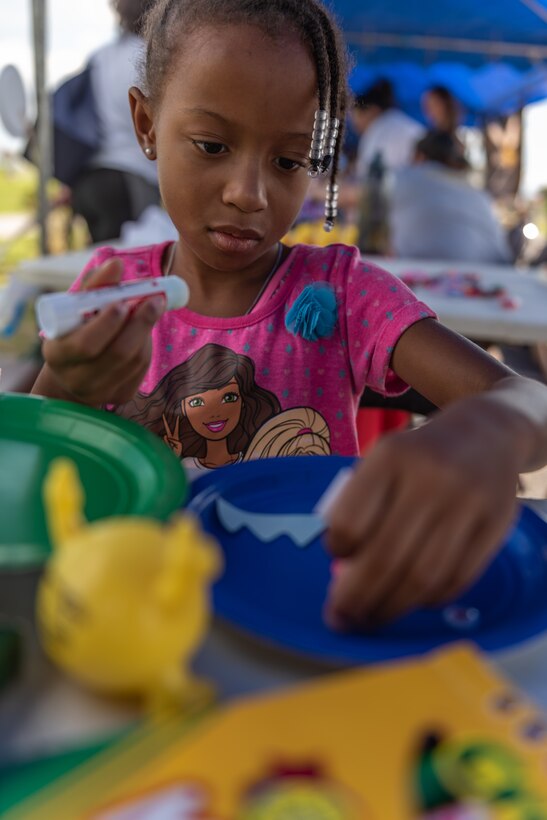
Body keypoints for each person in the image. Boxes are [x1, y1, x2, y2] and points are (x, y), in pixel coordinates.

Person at [31, 0, 547, 631]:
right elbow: (37, 468)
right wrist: (68, 388)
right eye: (212, 145)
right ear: (146, 123)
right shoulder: (115, 294)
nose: (248, 192)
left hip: (306, 622)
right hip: (143, 622)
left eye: (288, 161)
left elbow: (527, 399)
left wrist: (491, 430)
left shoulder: (347, 294)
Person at [70, 0, 161, 242]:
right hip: (130, 179)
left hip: (89, 179)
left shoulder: (100, 57)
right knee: (130, 265)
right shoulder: (149, 58)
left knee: (102, 265)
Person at [389, 130, 513, 264]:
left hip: (417, 271)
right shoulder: (478, 194)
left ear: (419, 156)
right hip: (489, 271)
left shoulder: (398, 179)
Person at [352, 79, 425, 181]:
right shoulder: (406, 123)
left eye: (357, 116)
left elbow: (364, 181)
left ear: (373, 110)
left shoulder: (376, 131)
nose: (355, 124)